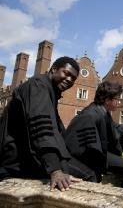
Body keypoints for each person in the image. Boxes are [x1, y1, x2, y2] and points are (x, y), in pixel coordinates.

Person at [0, 57, 96, 191]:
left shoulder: (50, 92)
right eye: (66, 73)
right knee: (89, 176)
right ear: (53, 69)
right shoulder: (38, 85)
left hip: (32, 155)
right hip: (19, 160)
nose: (69, 79)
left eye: (73, 78)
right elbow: (41, 129)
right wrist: (55, 170)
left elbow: (59, 133)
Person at [63, 81, 123, 189]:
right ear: (107, 100)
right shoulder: (90, 115)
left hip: (96, 153)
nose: (119, 102)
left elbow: (113, 128)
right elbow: (86, 148)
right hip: (80, 156)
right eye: (117, 99)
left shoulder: (102, 111)